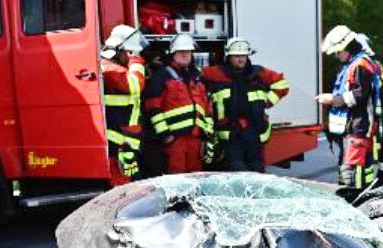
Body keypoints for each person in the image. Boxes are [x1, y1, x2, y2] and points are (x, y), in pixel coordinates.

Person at [202, 38, 290, 172]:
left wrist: (267, 102)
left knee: (257, 169)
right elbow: (193, 77)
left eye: (243, 56)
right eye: (237, 56)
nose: (241, 59)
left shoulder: (258, 73)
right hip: (230, 134)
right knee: (237, 170)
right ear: (229, 57)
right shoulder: (216, 73)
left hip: (254, 132)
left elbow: (282, 84)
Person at [316, 24, 381, 192]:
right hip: (353, 124)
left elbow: (360, 95)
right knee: (355, 166)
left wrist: (333, 100)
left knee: (351, 169)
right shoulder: (352, 64)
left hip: (359, 125)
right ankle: (359, 193)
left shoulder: (359, 65)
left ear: (347, 47)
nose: (337, 55)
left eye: (338, 52)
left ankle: (355, 197)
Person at [145, 33, 213, 175]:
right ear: (173, 54)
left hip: (196, 140)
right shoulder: (162, 76)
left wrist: (207, 136)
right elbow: (152, 108)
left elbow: (207, 109)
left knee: (195, 180)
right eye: (181, 52)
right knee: (176, 182)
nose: (185, 55)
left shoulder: (198, 78)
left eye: (188, 52)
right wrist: (165, 135)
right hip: (175, 141)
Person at [101, 25, 148, 184]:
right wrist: (136, 61)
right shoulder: (110, 70)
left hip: (125, 141)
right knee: (121, 191)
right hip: (118, 143)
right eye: (130, 52)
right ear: (120, 50)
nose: (132, 56)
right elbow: (135, 86)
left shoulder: (117, 68)